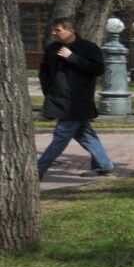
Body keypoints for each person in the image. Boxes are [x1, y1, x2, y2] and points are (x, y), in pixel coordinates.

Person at [35, 16, 114, 180]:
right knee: (85, 135)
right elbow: (44, 71)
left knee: (61, 136)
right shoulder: (52, 49)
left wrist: (72, 57)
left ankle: (38, 169)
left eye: (58, 30)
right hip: (58, 98)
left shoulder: (88, 48)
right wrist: (48, 89)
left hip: (77, 101)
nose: (54, 33)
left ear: (70, 30)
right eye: (53, 30)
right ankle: (104, 166)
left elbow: (98, 69)